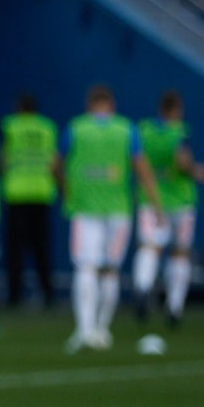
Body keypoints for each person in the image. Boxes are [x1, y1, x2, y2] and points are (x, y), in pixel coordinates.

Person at [64, 84, 139, 351]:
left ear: (89, 105)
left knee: (85, 267)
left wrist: (66, 190)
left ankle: (84, 330)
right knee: (110, 270)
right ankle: (102, 329)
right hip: (119, 210)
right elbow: (140, 165)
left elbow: (57, 162)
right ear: (112, 104)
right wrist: (154, 203)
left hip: (84, 209)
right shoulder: (126, 129)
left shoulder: (76, 128)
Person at [130, 90, 204, 333]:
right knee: (180, 253)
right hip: (180, 199)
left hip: (150, 198)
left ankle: (143, 287)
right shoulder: (179, 131)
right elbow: (182, 162)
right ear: (175, 110)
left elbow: (136, 159)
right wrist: (196, 171)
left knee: (149, 247)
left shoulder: (143, 129)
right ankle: (174, 307)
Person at [0, 92, 61, 308]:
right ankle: (48, 294)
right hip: (41, 193)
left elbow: (3, 158)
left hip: (16, 194)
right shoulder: (47, 127)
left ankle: (14, 296)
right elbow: (54, 161)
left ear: (18, 108)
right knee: (42, 248)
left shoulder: (10, 125)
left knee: (15, 251)